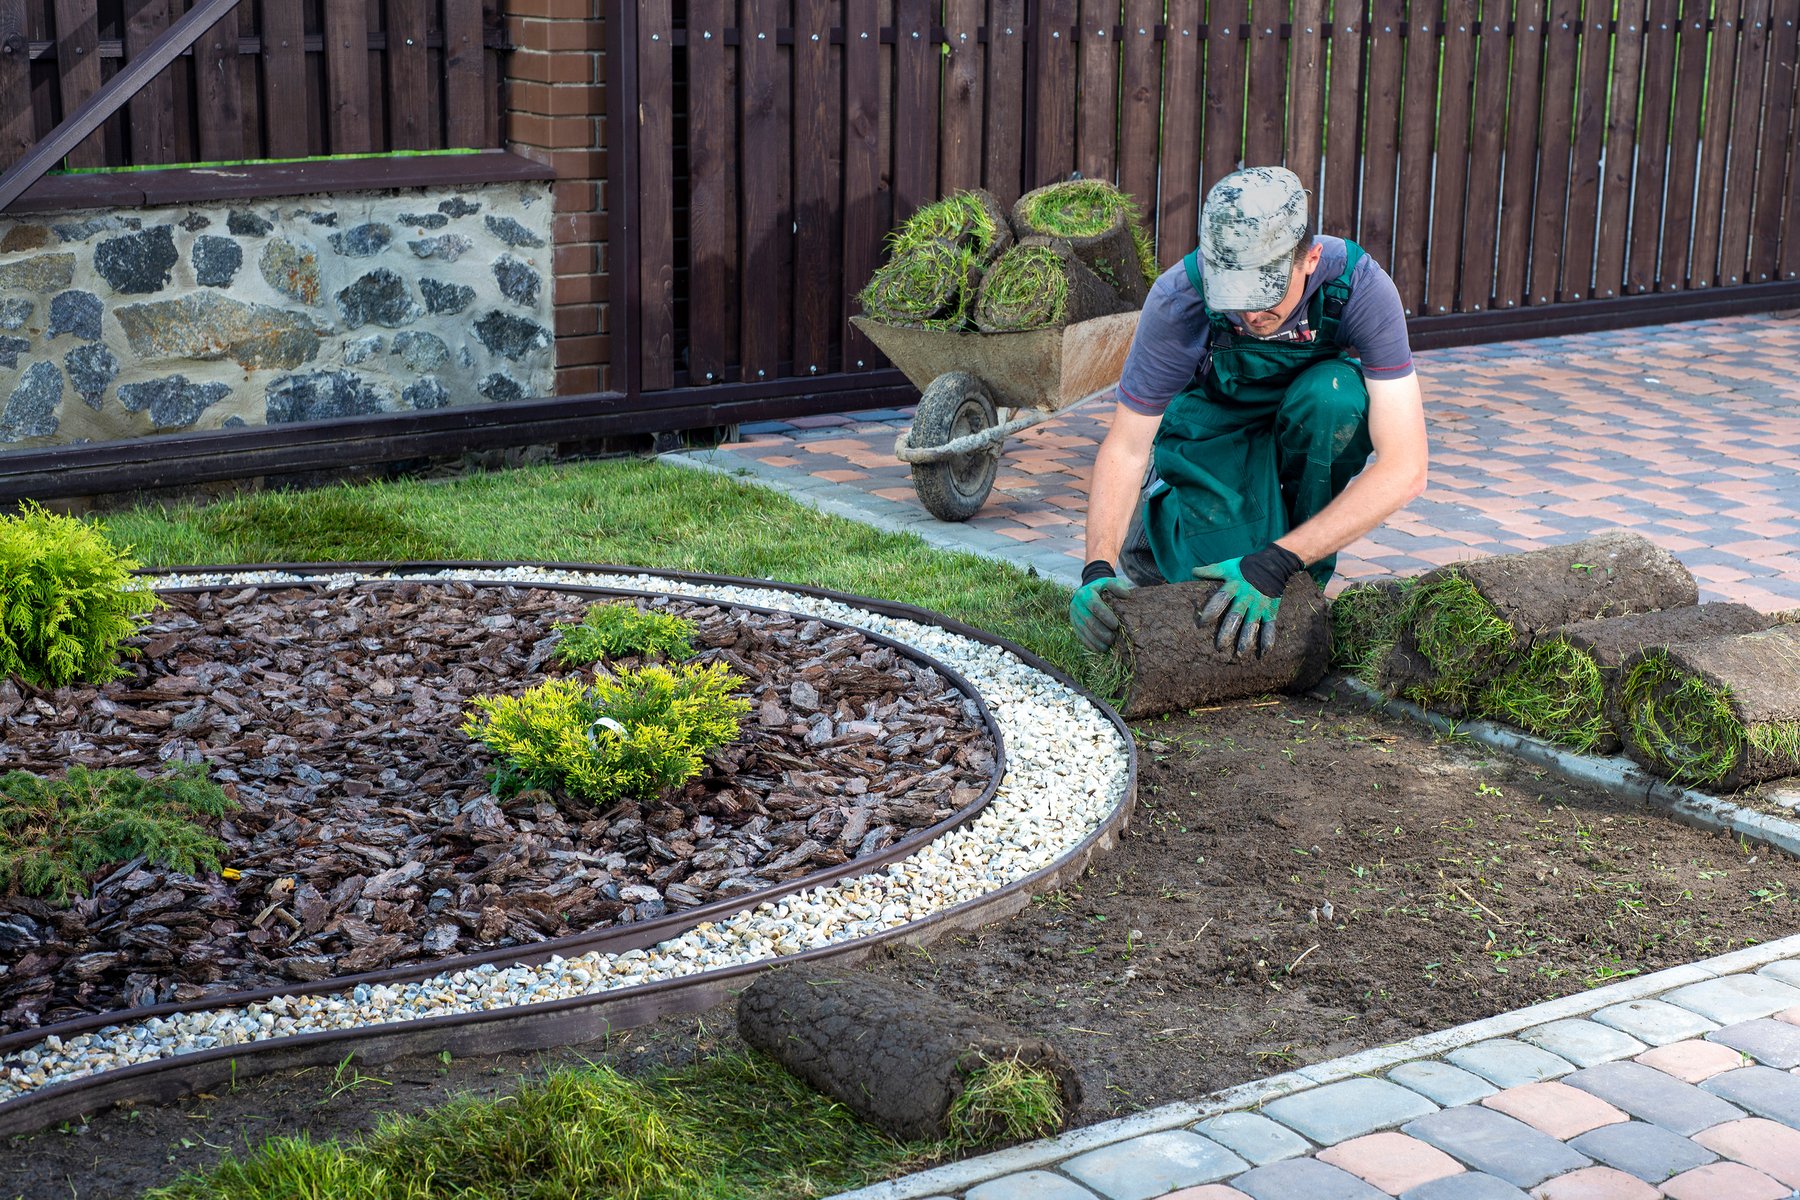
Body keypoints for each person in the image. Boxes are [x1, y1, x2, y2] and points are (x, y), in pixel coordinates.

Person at [1070, 166, 1429, 658]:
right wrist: (1096, 567)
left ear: (1310, 260)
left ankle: (1296, 566)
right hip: (1216, 428)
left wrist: (1278, 563)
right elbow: (1127, 446)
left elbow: (1406, 467)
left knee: (1336, 398)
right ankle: (1151, 539)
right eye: (1235, 300)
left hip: (1303, 424)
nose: (1250, 316)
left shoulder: (1360, 288)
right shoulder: (1180, 298)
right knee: (1219, 592)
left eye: (1265, 297)